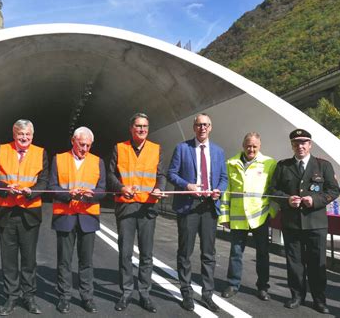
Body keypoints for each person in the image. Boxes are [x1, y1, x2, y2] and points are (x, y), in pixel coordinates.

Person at [269, 129, 340, 315]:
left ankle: (319, 299)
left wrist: (315, 200)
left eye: (303, 142)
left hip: (316, 224)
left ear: (310, 145)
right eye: (296, 143)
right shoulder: (283, 166)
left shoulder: (323, 166)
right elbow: (273, 190)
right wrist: (287, 200)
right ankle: (296, 296)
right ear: (292, 145)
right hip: (292, 223)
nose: (299, 146)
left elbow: (334, 190)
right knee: (294, 262)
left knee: (317, 263)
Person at [0, 119, 49, 316]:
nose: (24, 138)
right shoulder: (0, 150)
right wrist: (5, 188)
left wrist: (33, 191)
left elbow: (45, 181)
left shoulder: (41, 153)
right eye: (21, 135)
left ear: (32, 135)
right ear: (14, 135)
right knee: (9, 258)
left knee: (29, 259)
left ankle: (29, 297)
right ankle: (11, 296)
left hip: (29, 212)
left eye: (28, 135)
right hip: (6, 211)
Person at [167, 113, 227, 313]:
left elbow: (224, 178)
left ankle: (208, 294)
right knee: (185, 252)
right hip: (188, 206)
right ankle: (186, 292)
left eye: (206, 125)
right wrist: (187, 185)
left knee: (208, 254)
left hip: (209, 207)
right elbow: (172, 173)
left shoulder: (218, 151)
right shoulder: (182, 148)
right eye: (199, 125)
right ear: (194, 128)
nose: (202, 128)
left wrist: (219, 189)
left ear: (210, 127)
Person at [107, 113, 165, 313]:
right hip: (126, 206)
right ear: (131, 128)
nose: (142, 129)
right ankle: (126, 293)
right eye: (138, 126)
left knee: (146, 254)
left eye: (145, 126)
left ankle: (144, 294)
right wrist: (121, 187)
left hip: (148, 207)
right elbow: (110, 174)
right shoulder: (119, 148)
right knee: (125, 253)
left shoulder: (156, 149)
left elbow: (160, 175)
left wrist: (159, 188)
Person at [49, 127, 106, 314]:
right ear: (73, 141)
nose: (85, 149)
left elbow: (102, 189)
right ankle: (64, 297)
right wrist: (67, 194)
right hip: (65, 216)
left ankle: (87, 297)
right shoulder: (59, 159)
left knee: (86, 261)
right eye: (82, 144)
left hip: (88, 216)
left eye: (88, 146)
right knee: (64, 261)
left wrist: (92, 195)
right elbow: (52, 187)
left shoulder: (98, 162)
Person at [219, 132, 277, 301]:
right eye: (248, 145)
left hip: (260, 216)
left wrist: (271, 212)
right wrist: (224, 217)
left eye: (254, 146)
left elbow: (275, 191)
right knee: (236, 252)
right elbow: (226, 193)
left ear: (259, 146)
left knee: (263, 253)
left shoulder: (269, 163)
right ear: (243, 145)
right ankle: (232, 284)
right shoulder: (231, 163)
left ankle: (263, 287)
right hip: (238, 217)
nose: (251, 149)